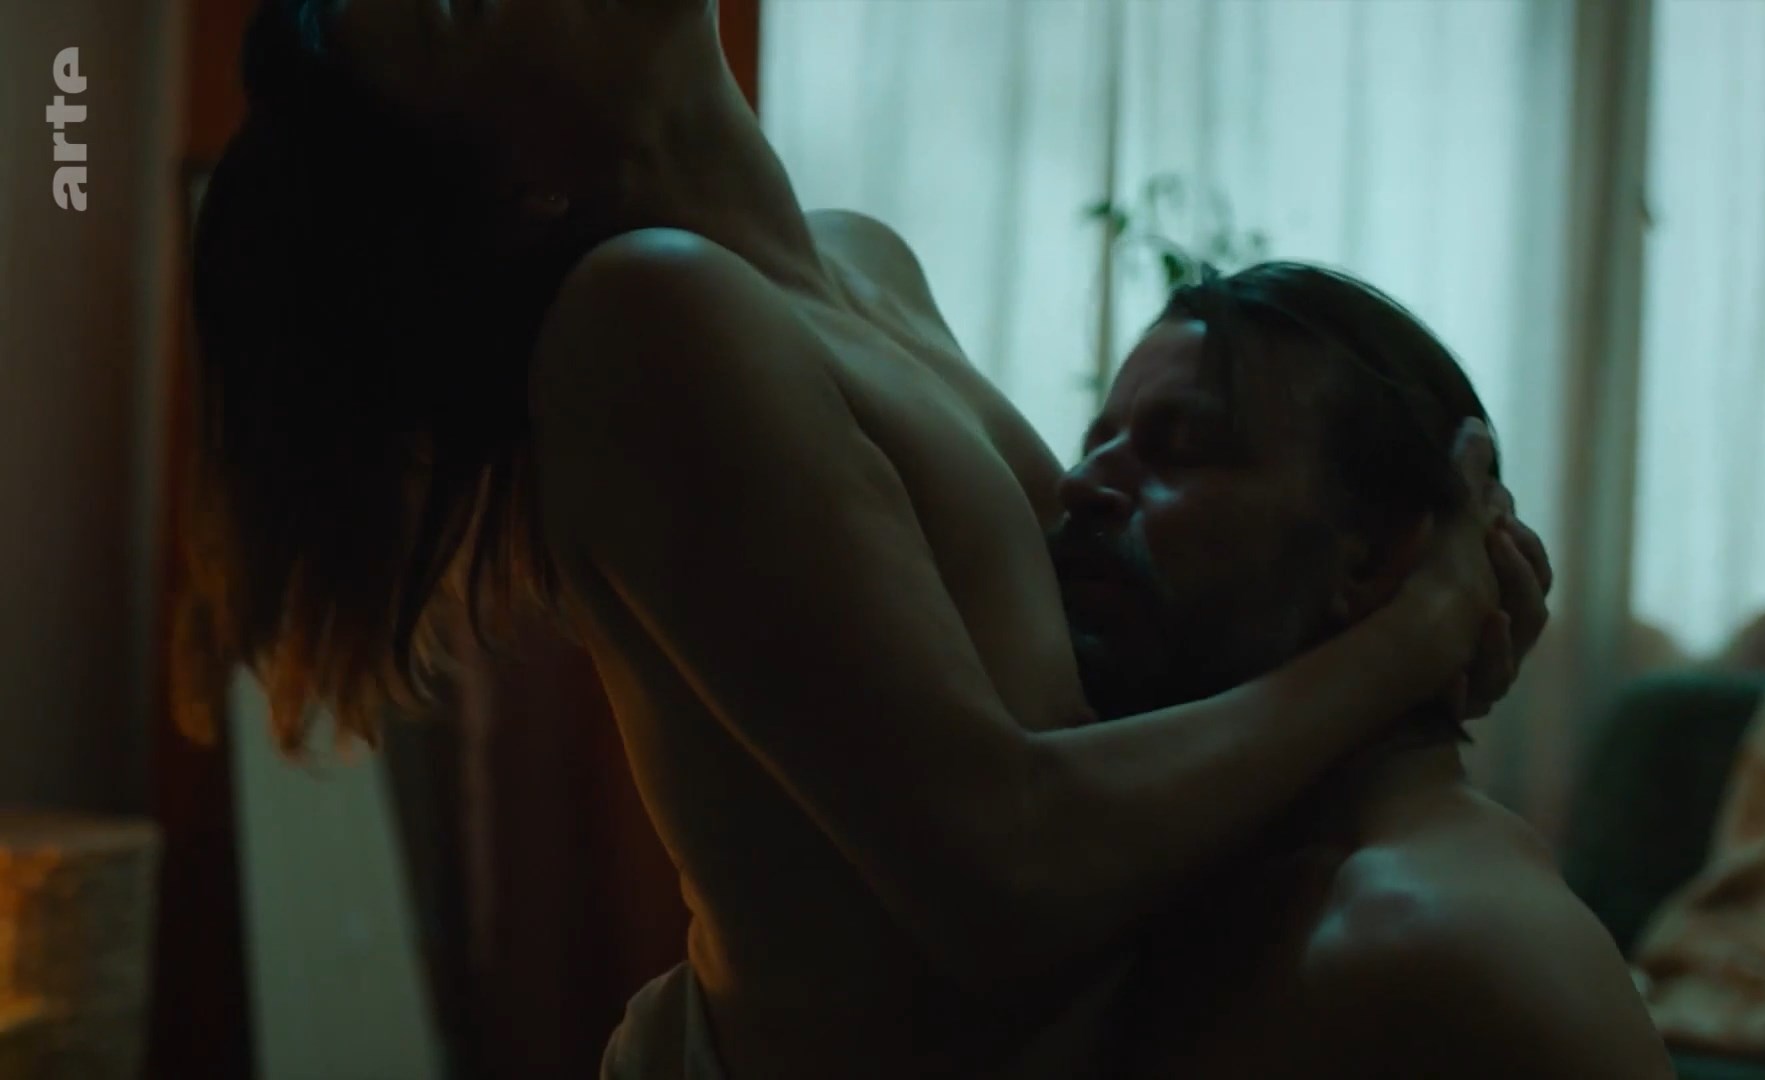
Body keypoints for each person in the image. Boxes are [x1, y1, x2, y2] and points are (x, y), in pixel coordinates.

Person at [179, 1, 1553, 1076]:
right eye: (459, 4)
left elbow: (1082, 698)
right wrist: (1414, 634)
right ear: (514, 178)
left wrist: (1429, 613)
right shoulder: (644, 317)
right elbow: (1004, 876)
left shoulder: (862, 264)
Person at [1050, 262, 1670, 1078]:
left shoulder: (1436, 935)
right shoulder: (1198, 872)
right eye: (1096, 445)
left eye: (1184, 450)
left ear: (1377, 557)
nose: (1081, 485)